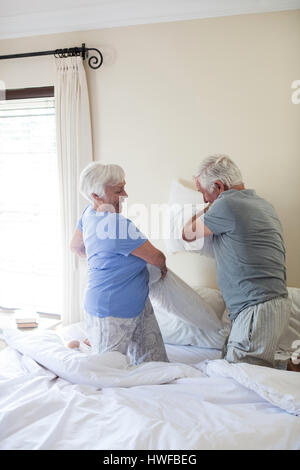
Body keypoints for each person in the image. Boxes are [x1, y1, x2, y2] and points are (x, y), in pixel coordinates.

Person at [183, 154, 298, 370]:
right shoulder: (264, 204)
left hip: (257, 309)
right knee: (238, 366)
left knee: (238, 376)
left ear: (218, 186)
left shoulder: (226, 205)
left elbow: (187, 233)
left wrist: (210, 206)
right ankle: (292, 367)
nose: (203, 199)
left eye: (203, 192)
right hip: (267, 307)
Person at [69, 162, 168, 364]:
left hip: (137, 304)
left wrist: (105, 261)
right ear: (96, 196)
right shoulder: (116, 225)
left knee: (156, 366)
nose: (125, 195)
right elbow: (158, 258)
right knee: (106, 372)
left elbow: (76, 247)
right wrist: (162, 270)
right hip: (112, 311)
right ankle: (80, 348)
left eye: (124, 187)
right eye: (118, 190)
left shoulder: (89, 213)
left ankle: (88, 344)